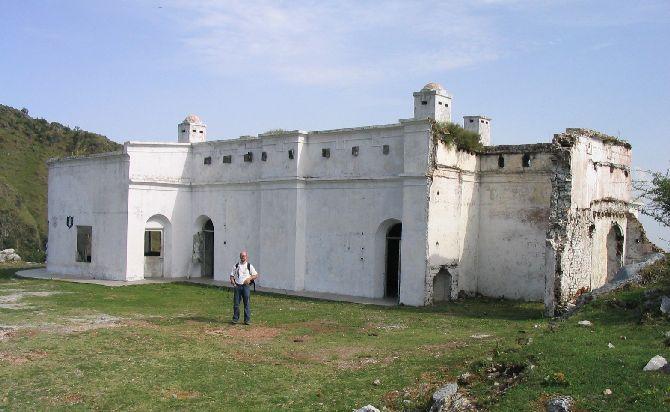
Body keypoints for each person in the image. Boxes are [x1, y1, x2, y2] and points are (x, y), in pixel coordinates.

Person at [229, 251, 258, 325]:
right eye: (242, 256)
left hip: (246, 287)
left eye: (244, 256)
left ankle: (247, 320)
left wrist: (249, 279)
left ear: (246, 257)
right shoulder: (236, 266)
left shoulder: (249, 266)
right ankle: (235, 319)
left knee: (247, 303)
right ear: (240, 257)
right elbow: (232, 276)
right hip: (237, 286)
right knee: (236, 304)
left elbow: (255, 275)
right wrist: (233, 283)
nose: (243, 257)